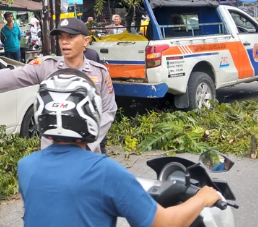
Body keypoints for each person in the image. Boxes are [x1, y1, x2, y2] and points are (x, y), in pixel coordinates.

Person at [18, 69, 222, 227]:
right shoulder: (104, 172)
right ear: (91, 112)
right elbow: (164, 223)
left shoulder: (26, 166)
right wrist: (203, 198)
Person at [0, 18, 117, 154]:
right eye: (61, 37)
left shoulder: (99, 72)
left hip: (88, 154)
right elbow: (10, 77)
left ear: (86, 41)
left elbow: (108, 111)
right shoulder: (47, 66)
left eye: (71, 37)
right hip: (52, 155)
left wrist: (87, 142)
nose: (64, 42)